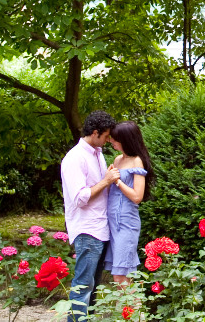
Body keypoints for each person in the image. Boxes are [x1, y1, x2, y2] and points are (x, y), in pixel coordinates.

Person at [61, 110, 119, 321]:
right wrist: (105, 181)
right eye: (106, 136)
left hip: (101, 228)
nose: (108, 140)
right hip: (87, 229)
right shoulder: (75, 158)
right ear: (95, 133)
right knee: (83, 285)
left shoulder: (98, 153)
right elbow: (79, 197)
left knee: (93, 288)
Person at [103, 121, 157, 284]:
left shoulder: (136, 161)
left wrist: (117, 181)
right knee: (117, 275)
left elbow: (137, 197)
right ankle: (127, 309)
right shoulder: (118, 159)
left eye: (115, 139)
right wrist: (108, 178)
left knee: (122, 274)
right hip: (112, 221)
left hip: (126, 222)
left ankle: (133, 310)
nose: (111, 141)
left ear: (126, 140)